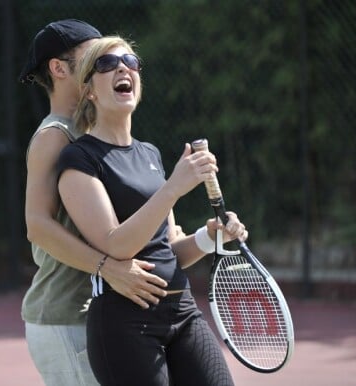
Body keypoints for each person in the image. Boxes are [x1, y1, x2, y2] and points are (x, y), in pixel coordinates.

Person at [57, 36, 247, 386]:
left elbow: (169, 249)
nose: (122, 68)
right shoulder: (78, 159)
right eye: (106, 64)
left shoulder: (150, 154)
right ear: (89, 91)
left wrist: (209, 236)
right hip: (124, 323)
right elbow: (116, 246)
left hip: (183, 311)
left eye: (130, 62)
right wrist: (173, 187)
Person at [19, 20, 184, 386]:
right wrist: (106, 267)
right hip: (67, 315)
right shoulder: (55, 136)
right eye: (96, 58)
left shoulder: (103, 134)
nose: (111, 63)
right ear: (59, 69)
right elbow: (38, 226)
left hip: (112, 312)